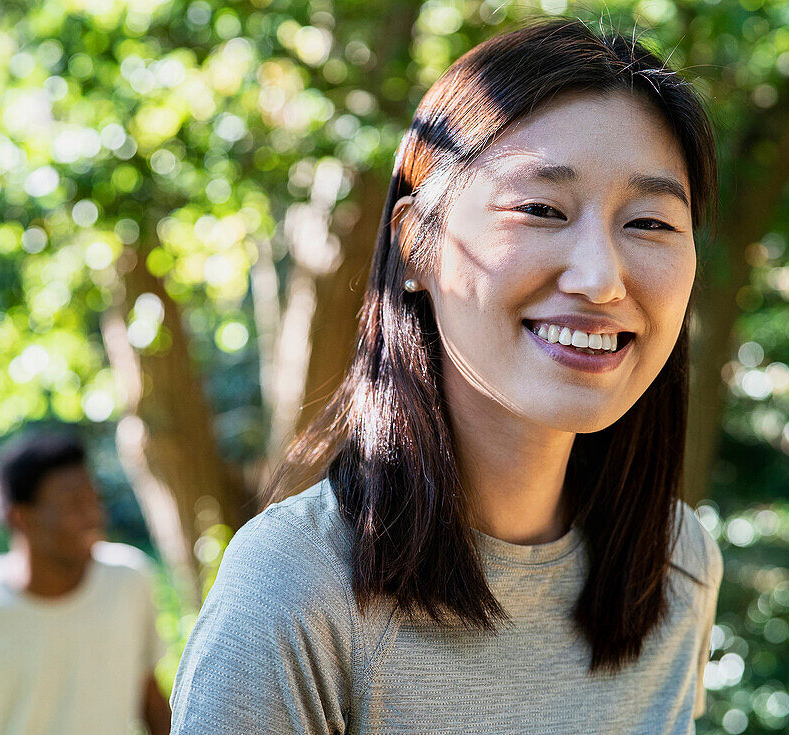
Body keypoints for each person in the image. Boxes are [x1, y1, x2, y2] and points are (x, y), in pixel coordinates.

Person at [170, 15, 724, 735]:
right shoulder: (294, 593)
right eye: (540, 208)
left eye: (649, 223)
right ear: (416, 247)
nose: (599, 278)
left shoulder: (675, 563)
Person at [0, 429, 172, 735]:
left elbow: (150, 699)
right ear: (20, 518)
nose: (94, 515)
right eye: (73, 504)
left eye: (94, 499)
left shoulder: (129, 581)